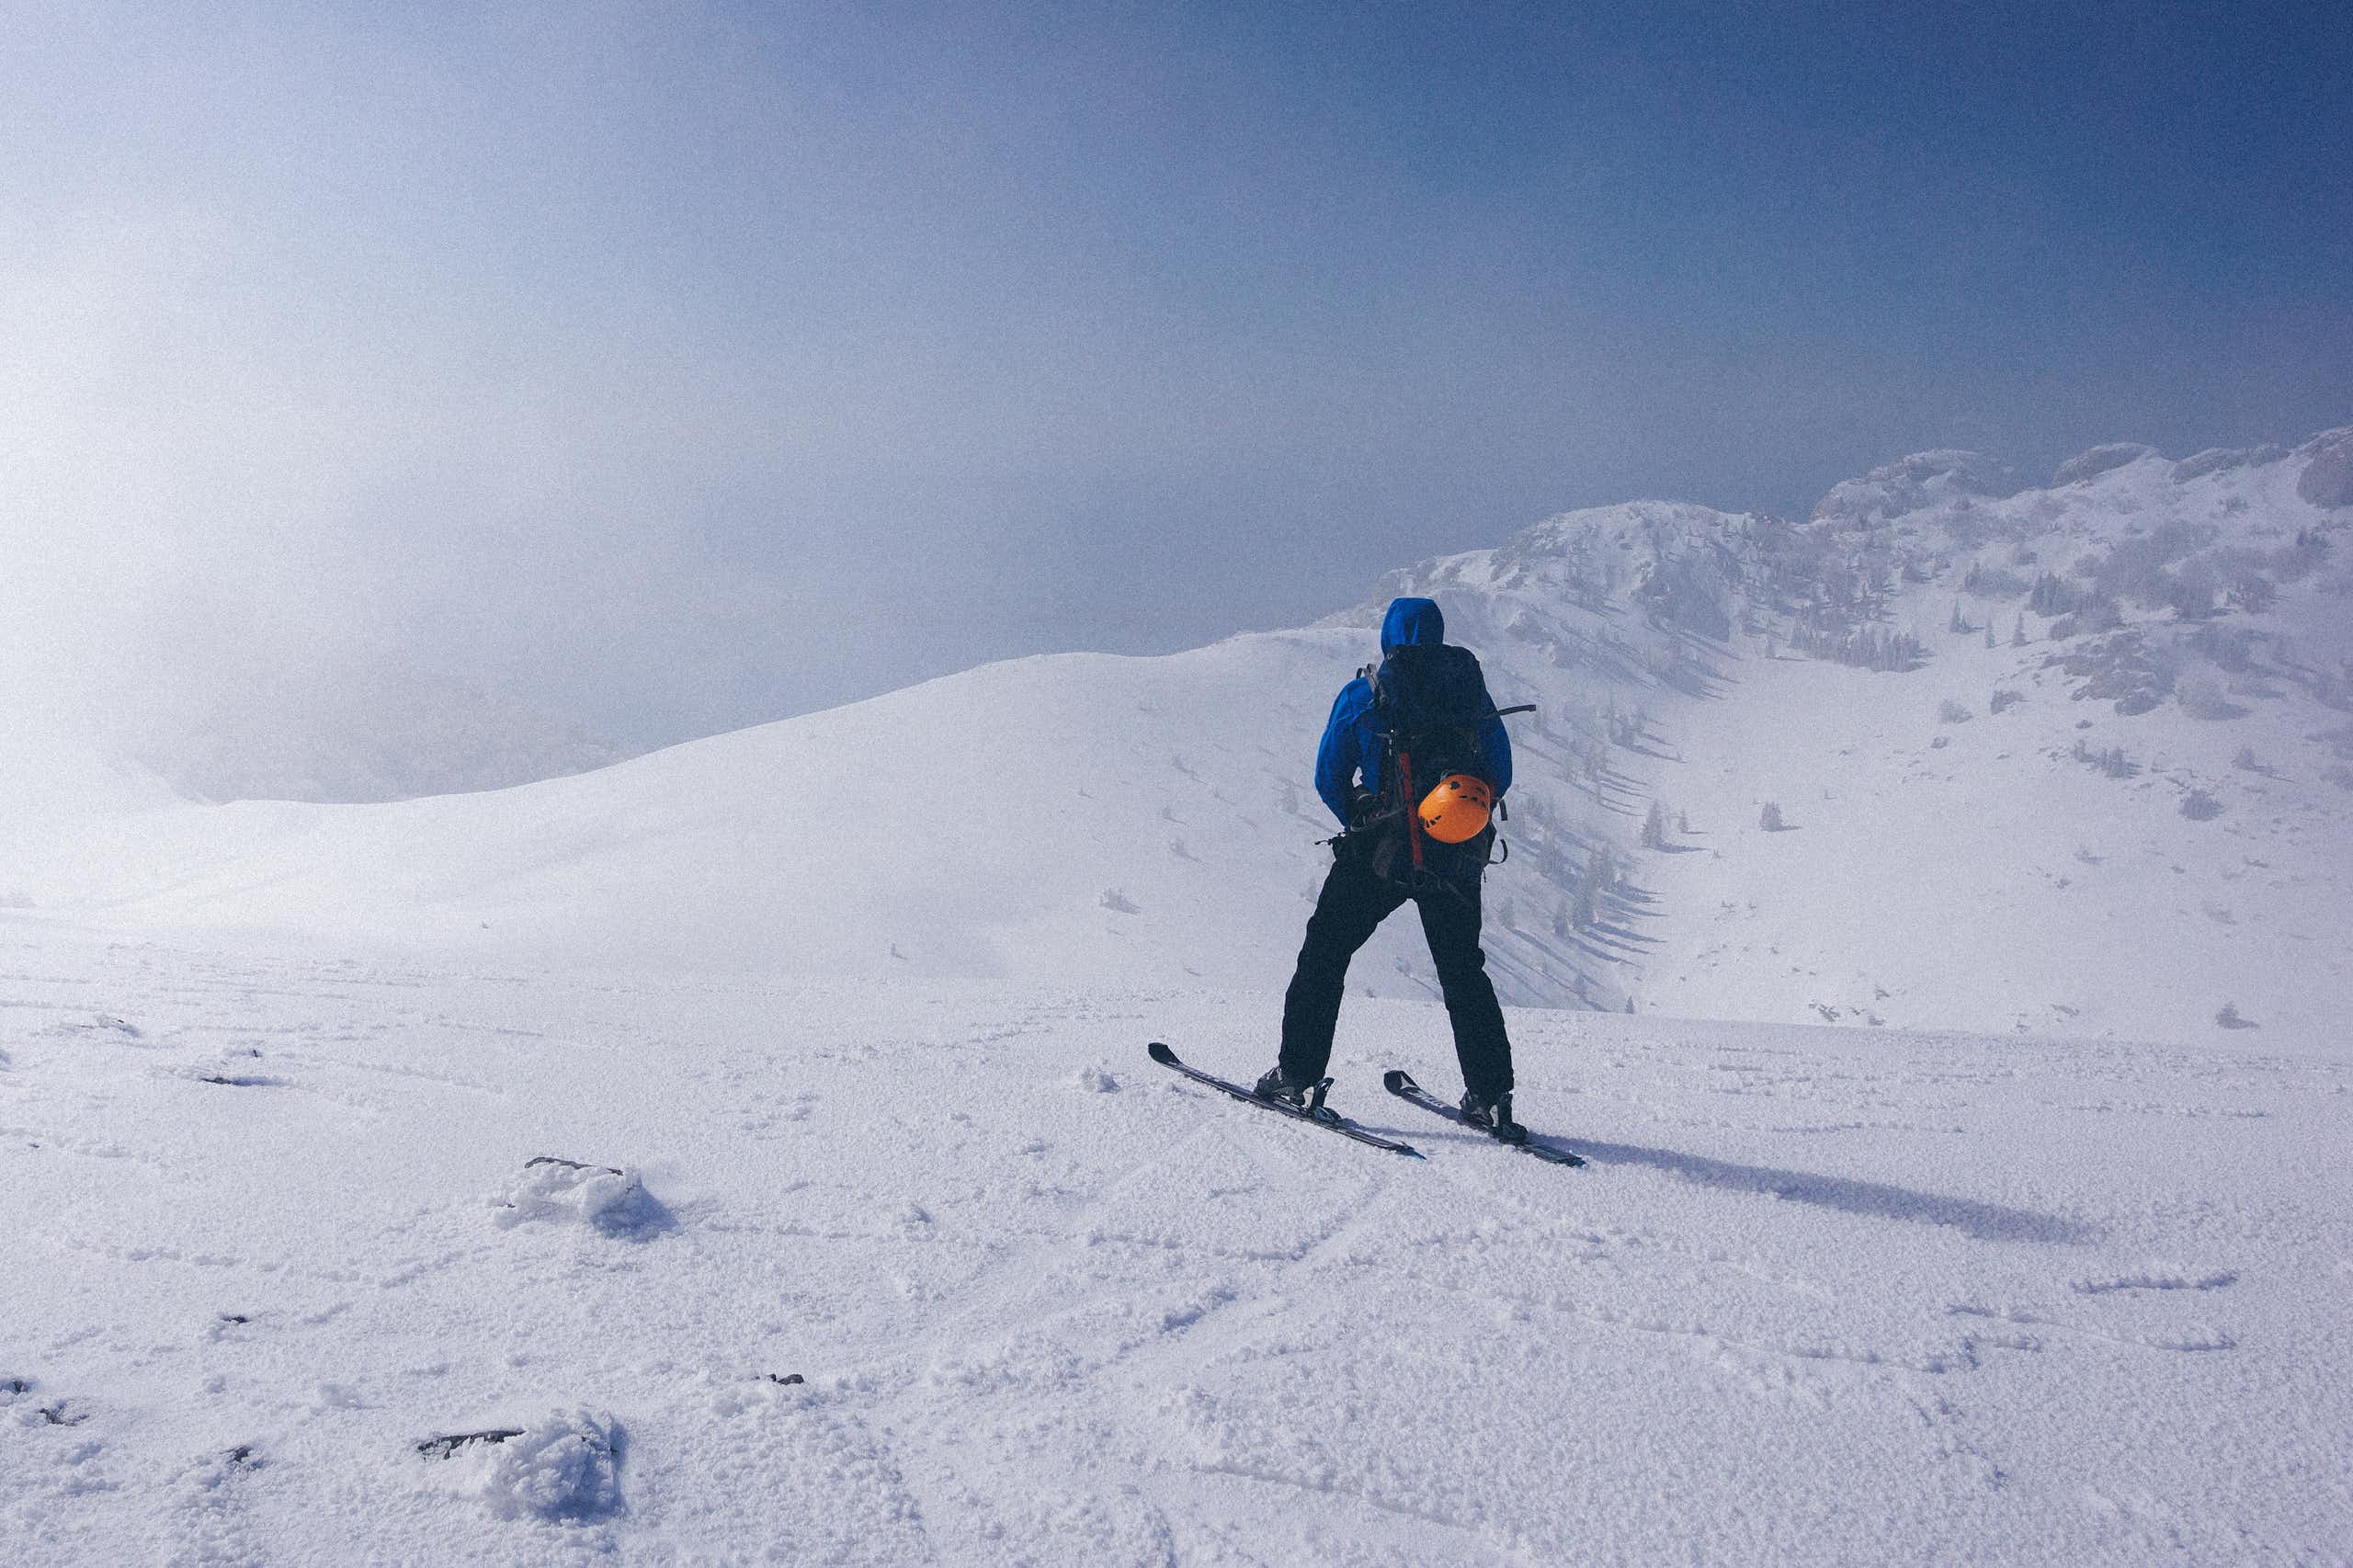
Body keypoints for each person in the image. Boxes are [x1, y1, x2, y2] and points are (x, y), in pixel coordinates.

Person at [1256, 596, 1526, 1142]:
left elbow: (1328, 776)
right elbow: (1501, 772)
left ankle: (1298, 1076)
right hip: (1454, 854)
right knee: (1462, 970)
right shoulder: (1474, 696)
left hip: (1379, 851)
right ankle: (1491, 1097)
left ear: (1388, 637)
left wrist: (1360, 814)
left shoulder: (1367, 693)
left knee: (1326, 953)